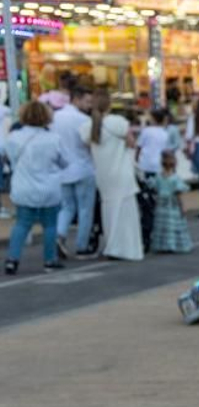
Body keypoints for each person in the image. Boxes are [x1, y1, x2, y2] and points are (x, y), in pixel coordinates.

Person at [4, 99, 69, 275]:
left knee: (22, 224)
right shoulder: (54, 139)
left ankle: (12, 260)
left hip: (24, 187)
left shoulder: (14, 138)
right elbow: (65, 162)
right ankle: (49, 260)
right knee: (50, 226)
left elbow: (6, 156)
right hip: (49, 188)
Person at [86, 90, 143, 261]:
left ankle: (112, 245)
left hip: (103, 174)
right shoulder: (117, 122)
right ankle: (125, 247)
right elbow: (132, 143)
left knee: (108, 210)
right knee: (125, 212)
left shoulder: (89, 126)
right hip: (121, 172)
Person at [52, 83, 96, 257]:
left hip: (62, 170)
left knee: (66, 207)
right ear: (76, 99)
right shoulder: (84, 120)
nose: (89, 105)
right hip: (83, 168)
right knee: (85, 210)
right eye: (87, 101)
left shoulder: (55, 117)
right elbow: (90, 144)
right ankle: (81, 246)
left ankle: (60, 236)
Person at [149, 149, 193, 254]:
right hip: (172, 205)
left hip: (161, 205)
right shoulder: (175, 179)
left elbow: (155, 188)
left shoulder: (158, 177)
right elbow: (178, 194)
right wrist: (183, 206)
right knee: (173, 225)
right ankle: (173, 245)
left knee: (162, 226)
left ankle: (162, 245)